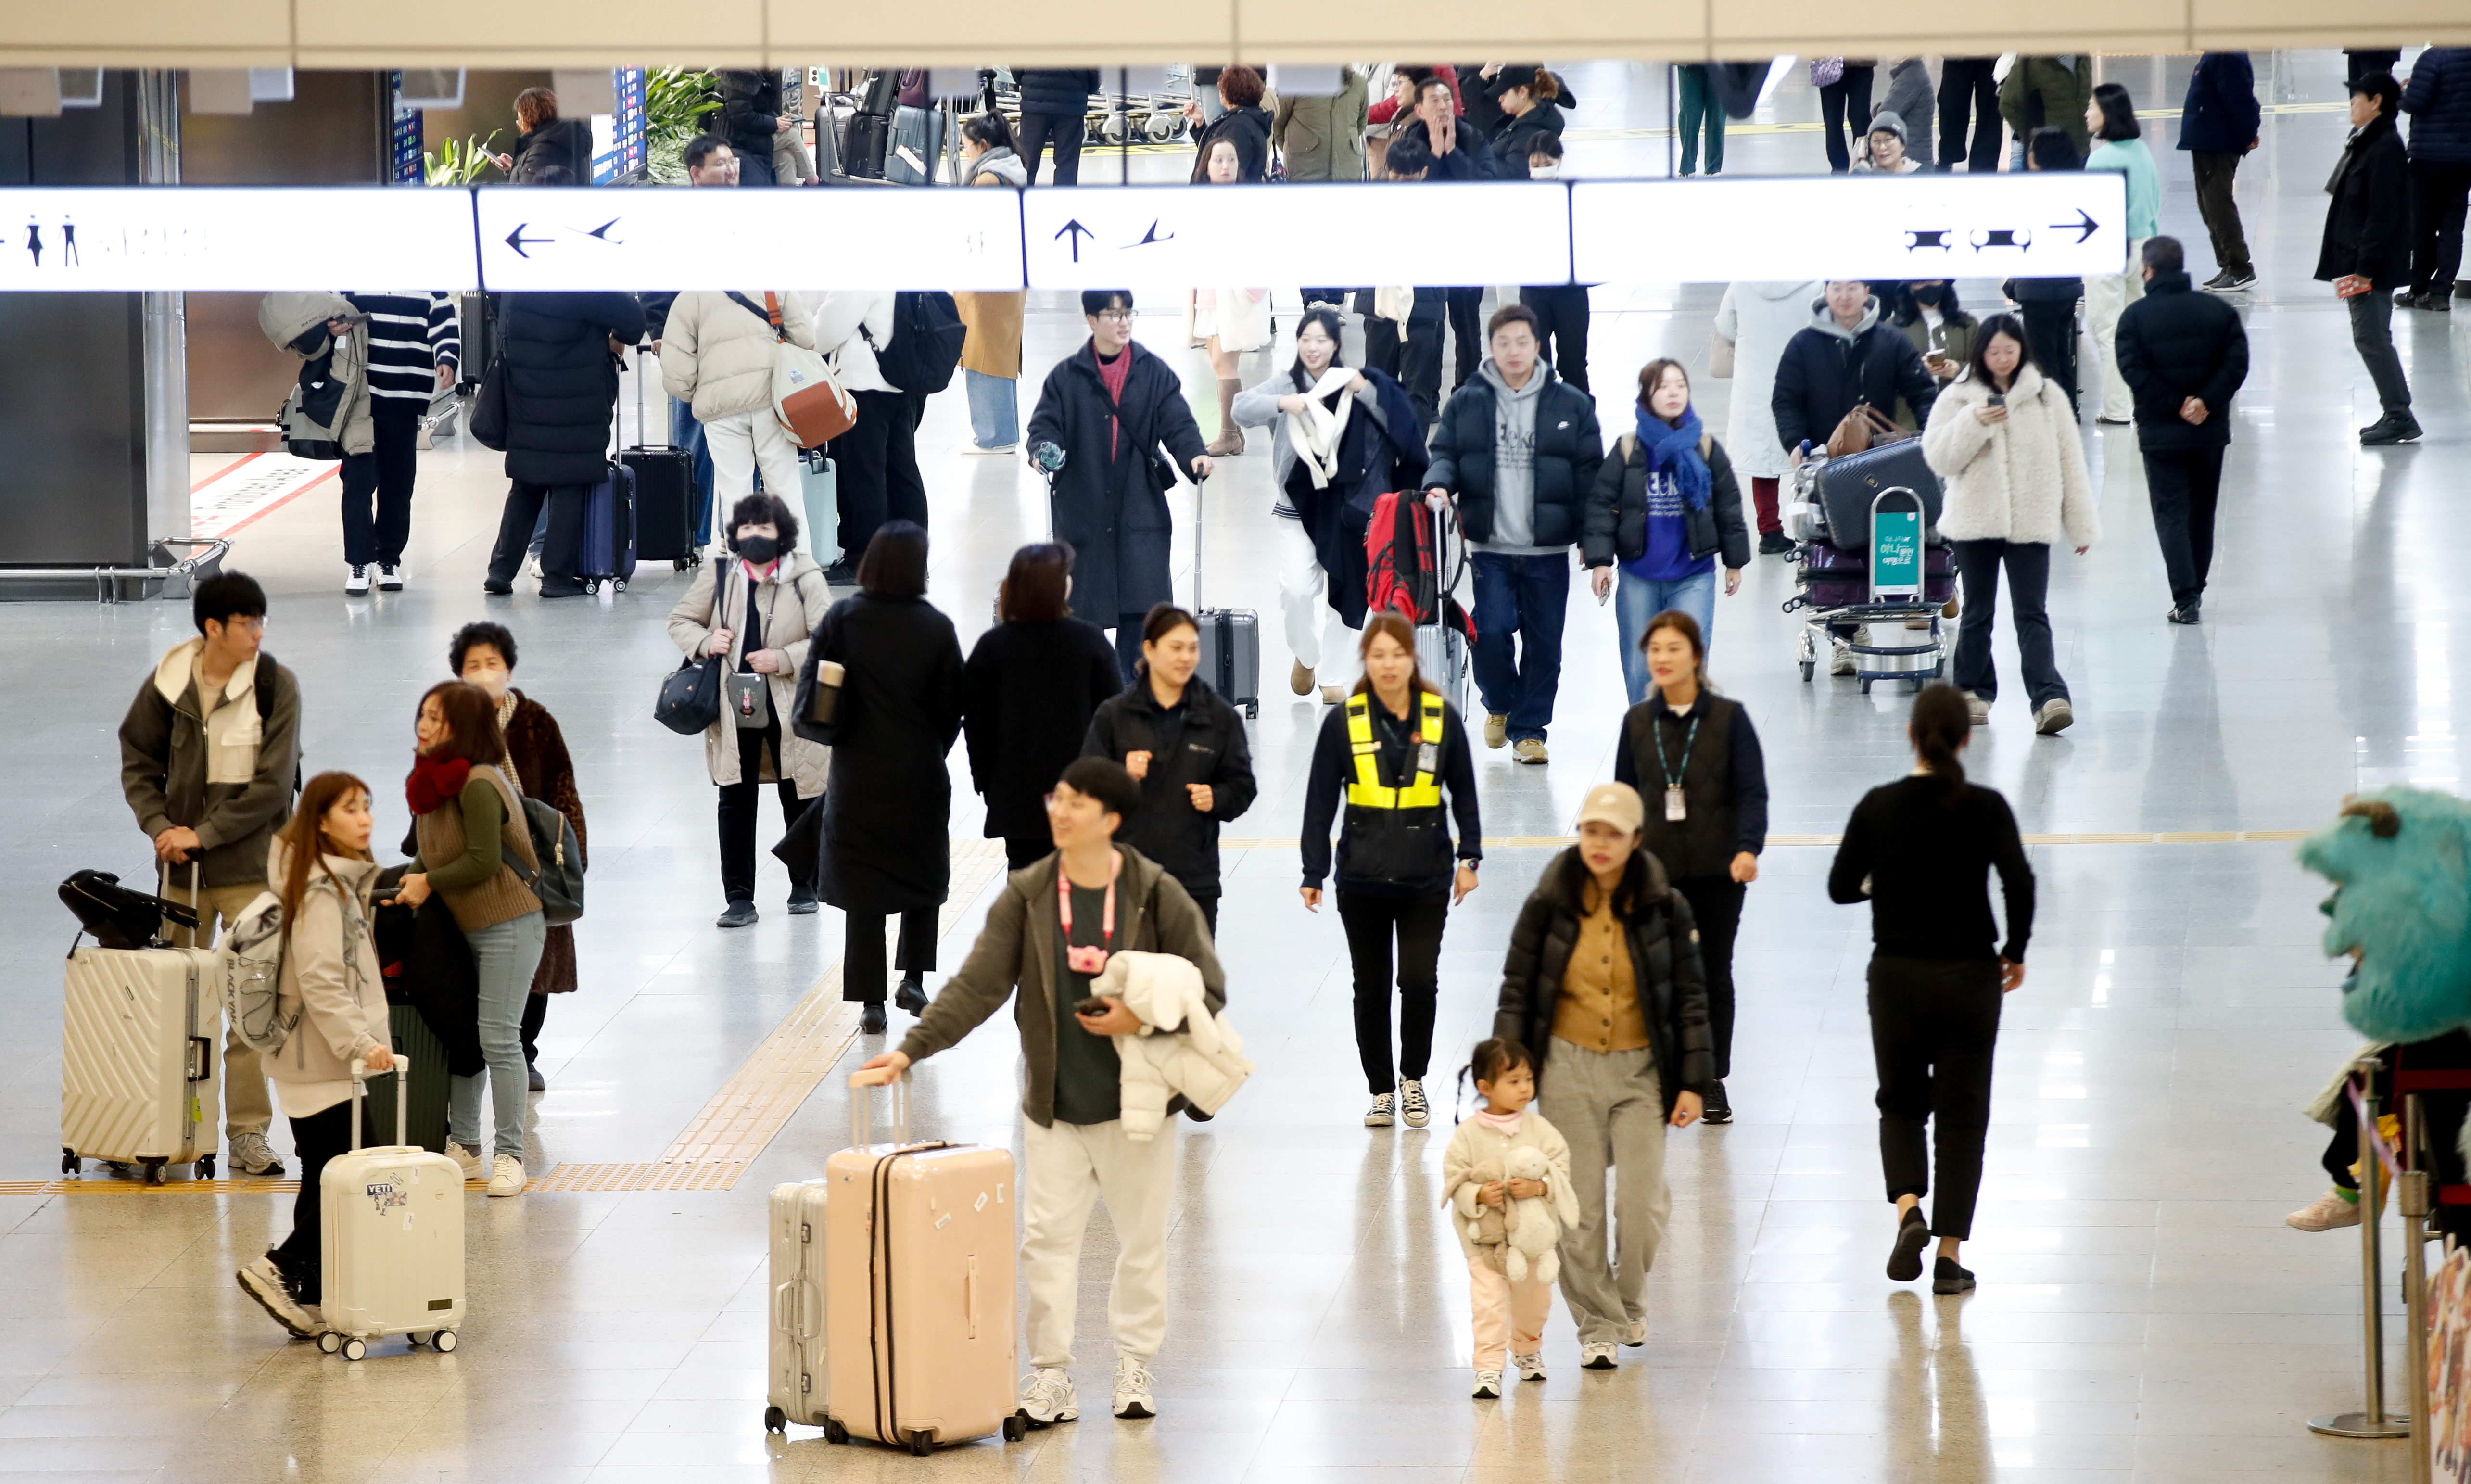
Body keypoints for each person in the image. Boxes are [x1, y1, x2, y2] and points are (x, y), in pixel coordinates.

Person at [864, 756, 1223, 1425]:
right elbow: (979, 983)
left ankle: (1134, 1363)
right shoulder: (1031, 894)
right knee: (1046, 1240)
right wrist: (913, 1048)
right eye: (1057, 798)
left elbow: (1208, 988)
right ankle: (1051, 1374)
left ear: (1110, 820)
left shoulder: (1155, 892)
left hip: (1138, 1104)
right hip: (1054, 1102)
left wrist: (1138, 1017)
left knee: (1142, 1241)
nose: (1059, 812)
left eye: (1076, 803)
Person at [1492, 783, 1711, 1368]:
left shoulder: (1666, 905)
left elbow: (1691, 996)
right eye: (1590, 830)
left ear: (1636, 840)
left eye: (1612, 834)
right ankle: (1598, 1324)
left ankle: (1628, 1300)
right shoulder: (1549, 900)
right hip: (1567, 1068)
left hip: (1641, 1072)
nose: (1599, 843)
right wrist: (1508, 1077)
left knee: (1643, 1205)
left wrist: (1694, 1081)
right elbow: (1517, 987)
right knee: (1578, 1209)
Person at [1827, 685, 2035, 1297]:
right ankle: (1948, 1257)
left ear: (1911, 735)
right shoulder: (1986, 807)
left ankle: (1908, 1211)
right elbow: (2019, 882)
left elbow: (1840, 887)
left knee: (1900, 1103)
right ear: (1966, 738)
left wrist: (1885, 883)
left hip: (1896, 976)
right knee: (1963, 1117)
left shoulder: (1879, 805)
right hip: (1970, 978)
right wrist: (2015, 950)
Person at [118, 570, 299, 1181]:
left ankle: (248, 1133)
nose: (258, 633)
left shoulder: (275, 685)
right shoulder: (170, 683)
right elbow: (138, 758)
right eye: (248, 623)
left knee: (252, 1006)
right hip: (182, 875)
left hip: (252, 871)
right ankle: (169, 1126)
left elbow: (273, 786)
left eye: (261, 621)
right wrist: (160, 825)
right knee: (178, 1005)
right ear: (213, 628)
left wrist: (204, 833)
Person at [1300, 612, 1483, 1130]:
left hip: (1426, 877)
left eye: (1397, 655)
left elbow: (1465, 792)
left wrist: (1470, 858)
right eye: (1377, 655)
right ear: (1366, 660)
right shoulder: (1345, 722)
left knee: (1419, 981)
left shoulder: (1439, 718)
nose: (1387, 665)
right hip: (1362, 879)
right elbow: (1319, 803)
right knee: (1372, 986)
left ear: (1411, 659)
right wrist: (1313, 872)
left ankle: (1413, 1078)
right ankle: (1381, 1089)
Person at [231, 772, 390, 1339]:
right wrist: (361, 1043)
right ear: (321, 822)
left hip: (306, 1055)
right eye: (350, 809)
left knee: (325, 1171)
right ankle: (280, 1268)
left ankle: (311, 1294)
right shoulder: (323, 891)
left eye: (367, 806)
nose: (364, 818)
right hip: (322, 1057)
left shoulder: (319, 880)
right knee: (357, 1172)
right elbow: (322, 980)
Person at [799, 522, 964, 1034]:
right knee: (923, 877)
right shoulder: (935, 627)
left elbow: (815, 694)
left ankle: (871, 1003)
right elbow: (953, 708)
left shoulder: (843, 620)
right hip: (919, 775)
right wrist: (930, 750)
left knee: (864, 890)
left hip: (857, 775)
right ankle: (913, 977)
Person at [1426, 304, 1604, 765]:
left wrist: (1595, 545)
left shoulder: (1572, 405)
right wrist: (1438, 483)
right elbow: (1445, 451)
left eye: (1522, 342)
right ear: (1491, 347)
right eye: (1503, 342)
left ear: (1538, 346)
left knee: (1545, 644)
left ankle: (1529, 732)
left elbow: (1592, 480)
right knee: (1490, 629)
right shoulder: (1468, 401)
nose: (1513, 351)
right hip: (1489, 548)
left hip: (1548, 550)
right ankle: (1500, 702)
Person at [1230, 305, 1430, 702]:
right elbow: (1240, 407)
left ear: (1336, 345)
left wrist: (1364, 389)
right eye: (1306, 339)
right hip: (1296, 509)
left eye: (1321, 340)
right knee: (1296, 591)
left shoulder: (1355, 382)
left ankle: (1332, 676)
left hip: (1350, 511)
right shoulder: (1286, 384)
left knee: (1350, 592)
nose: (1313, 347)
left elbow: (1399, 422)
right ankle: (1306, 655)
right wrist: (1282, 403)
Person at [1609, 616, 1763, 1123]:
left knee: (1712, 973)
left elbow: (1751, 793)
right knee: (1655, 974)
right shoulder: (1637, 723)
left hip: (1718, 873)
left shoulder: (1728, 718)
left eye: (1673, 648)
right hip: (1655, 873)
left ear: (1696, 655)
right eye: (1654, 649)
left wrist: (1747, 849)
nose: (1662, 658)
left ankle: (1711, 1078)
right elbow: (1624, 799)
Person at [399, 681, 545, 1198]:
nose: (424, 725)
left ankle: (511, 1154)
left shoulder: (479, 782)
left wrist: (427, 882)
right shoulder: (431, 781)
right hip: (463, 926)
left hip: (508, 923)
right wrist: (409, 881)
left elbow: (483, 859)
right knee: (465, 1036)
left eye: (436, 718)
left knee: (499, 1038)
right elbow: (431, 848)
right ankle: (464, 1145)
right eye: (423, 714)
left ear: (463, 727)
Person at [1922, 312, 2098, 736]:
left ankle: (2048, 697)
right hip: (1973, 521)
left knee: (2031, 611)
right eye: (1993, 351)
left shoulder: (2047, 396)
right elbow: (1939, 458)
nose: (2002, 359)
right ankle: (1971, 692)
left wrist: (2079, 524)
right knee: (1977, 611)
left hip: (2030, 520)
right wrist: (1974, 422)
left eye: (2009, 350)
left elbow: (2070, 461)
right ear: (1980, 353)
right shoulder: (1957, 396)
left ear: (2022, 350)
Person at [1026, 290, 1216, 681]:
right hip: (1083, 512)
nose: (1123, 322)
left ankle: (1129, 700)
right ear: (1091, 320)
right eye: (1113, 314)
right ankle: (1092, 697)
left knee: (1142, 615)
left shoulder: (1153, 372)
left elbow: (1177, 421)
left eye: (1128, 313)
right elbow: (1045, 425)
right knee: (1081, 617)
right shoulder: (1066, 377)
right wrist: (1043, 449)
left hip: (1139, 510)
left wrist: (1194, 453)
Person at [666, 493, 831, 926]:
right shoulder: (721, 572)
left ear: (782, 534)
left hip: (791, 702)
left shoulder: (805, 576)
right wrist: (707, 642)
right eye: (746, 528)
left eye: (764, 528)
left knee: (799, 791)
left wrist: (785, 658)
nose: (754, 536)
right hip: (736, 698)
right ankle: (739, 897)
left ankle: (804, 884)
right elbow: (680, 620)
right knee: (736, 796)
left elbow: (831, 639)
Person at [448, 622, 583, 1092]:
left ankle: (524, 1051)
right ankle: (480, 1049)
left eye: (493, 663)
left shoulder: (535, 721)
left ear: (509, 669)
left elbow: (564, 790)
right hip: (473, 860)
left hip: (533, 864)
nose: (485, 672)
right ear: (459, 674)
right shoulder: (448, 723)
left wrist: (570, 857)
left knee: (535, 965)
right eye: (474, 665)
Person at [1081, 605, 1257, 933]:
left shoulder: (1219, 718)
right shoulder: (1115, 716)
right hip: (1127, 880)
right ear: (1149, 649)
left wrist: (1218, 797)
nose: (1185, 658)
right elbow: (1085, 789)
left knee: (1191, 967)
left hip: (1194, 881)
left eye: (1193, 649)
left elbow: (1243, 786)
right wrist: (1121, 775)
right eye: (1176, 648)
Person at [1584, 359, 1747, 700]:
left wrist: (1734, 562)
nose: (1673, 393)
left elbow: (1728, 506)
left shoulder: (1705, 448)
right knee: (1639, 665)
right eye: (1662, 386)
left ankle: (1682, 728)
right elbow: (1601, 505)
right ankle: (1644, 727)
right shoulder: (1628, 448)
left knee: (1687, 662)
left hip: (1693, 576)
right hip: (1638, 577)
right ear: (1646, 396)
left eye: (1680, 385)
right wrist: (1600, 561)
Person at [2115, 236, 2251, 625]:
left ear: (2148, 271)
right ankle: (2197, 587)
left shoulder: (2134, 318)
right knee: (2201, 512)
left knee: (2170, 513)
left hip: (2160, 434)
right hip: (2209, 432)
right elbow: (2236, 362)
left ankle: (2185, 598)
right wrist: (2204, 401)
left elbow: (2134, 371)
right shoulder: (2218, 311)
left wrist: (2176, 403)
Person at [964, 544, 1122, 872]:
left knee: (1026, 884)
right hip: (1082, 794)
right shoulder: (1090, 642)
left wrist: (987, 784)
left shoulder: (992, 648)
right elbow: (1115, 721)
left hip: (1016, 797)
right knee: (1081, 883)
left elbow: (977, 727)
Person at [482, 291, 646, 597]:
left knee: (526, 483)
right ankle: (557, 577)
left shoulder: (519, 279)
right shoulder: (585, 282)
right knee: (570, 482)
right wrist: (612, 336)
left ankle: (501, 571)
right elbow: (634, 323)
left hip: (527, 392)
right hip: (578, 399)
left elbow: (498, 305)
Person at [1442, 1037, 1577, 1396]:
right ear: (1485, 1087)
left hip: (1531, 1239)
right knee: (1488, 1302)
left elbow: (1561, 1168)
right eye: (1513, 1081)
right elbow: (1454, 1178)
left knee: (1534, 1299)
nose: (1524, 1088)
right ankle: (1488, 1367)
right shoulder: (1468, 1134)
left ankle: (1527, 1347)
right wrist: (1477, 1195)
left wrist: (1540, 1187)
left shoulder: (1540, 1129)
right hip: (1484, 1241)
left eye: (1528, 1079)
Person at [2319, 70, 2419, 445]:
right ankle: (2396, 412)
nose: (2351, 103)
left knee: (2371, 337)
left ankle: (2399, 415)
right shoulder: (2365, 141)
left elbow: (2382, 216)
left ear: (2376, 102)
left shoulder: (2384, 149)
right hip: (2358, 259)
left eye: (2357, 97)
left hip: (2370, 266)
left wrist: (2363, 270)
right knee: (2371, 336)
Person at [657, 287, 814, 518]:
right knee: (786, 490)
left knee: (735, 496)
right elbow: (806, 337)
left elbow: (676, 371)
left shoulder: (693, 295)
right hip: (771, 402)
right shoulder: (773, 284)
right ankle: (794, 543)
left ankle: (742, 543)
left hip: (721, 408)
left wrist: (698, 392)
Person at [338, 291, 456, 593]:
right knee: (358, 481)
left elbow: (444, 324)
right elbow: (329, 311)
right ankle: (359, 562)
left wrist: (447, 358)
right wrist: (332, 326)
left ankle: (388, 559)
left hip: (405, 400)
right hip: (360, 400)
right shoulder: (353, 281)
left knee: (398, 484)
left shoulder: (429, 288)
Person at [810, 289, 928, 579]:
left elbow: (830, 328)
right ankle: (912, 559)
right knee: (902, 474)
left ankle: (863, 561)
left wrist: (805, 337)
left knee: (864, 476)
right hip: (901, 377)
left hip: (865, 384)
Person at [1712, 280, 1821, 555]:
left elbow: (1726, 326)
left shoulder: (1742, 283)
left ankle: (1770, 530)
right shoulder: (1815, 282)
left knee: (1762, 460)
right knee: (1810, 456)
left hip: (1754, 378)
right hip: (1801, 373)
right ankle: (1816, 527)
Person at [1771, 279, 1939, 456]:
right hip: (1821, 456)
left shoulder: (1892, 340)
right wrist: (1795, 445)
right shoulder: (1802, 344)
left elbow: (1922, 393)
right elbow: (1786, 400)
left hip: (1880, 456)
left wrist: (1932, 435)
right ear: (1826, 293)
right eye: (1837, 288)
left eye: (1852, 288)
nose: (1845, 297)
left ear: (1867, 293)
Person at [1189, 142, 1275, 457]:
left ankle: (1228, 434)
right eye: (1218, 160)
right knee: (1219, 363)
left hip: (1233, 295)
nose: (1225, 166)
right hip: (1210, 294)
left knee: (1224, 364)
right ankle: (1233, 432)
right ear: (1207, 166)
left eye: (1231, 159)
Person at [2083, 83, 2161, 426]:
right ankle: (2144, 402)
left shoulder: (2100, 159)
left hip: (2108, 250)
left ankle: (2116, 410)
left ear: (2108, 115)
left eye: (2092, 107)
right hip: (2143, 247)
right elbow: (2155, 200)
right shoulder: (2142, 151)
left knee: (2107, 332)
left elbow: (2090, 211)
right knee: (2139, 331)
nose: (2087, 113)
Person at [956, 114, 1029, 454]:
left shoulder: (987, 180)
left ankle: (993, 437)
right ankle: (1003, 432)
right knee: (999, 355)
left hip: (988, 280)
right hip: (1007, 279)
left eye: (967, 147)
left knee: (982, 355)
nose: (965, 153)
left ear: (983, 146)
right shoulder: (1012, 170)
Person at [2009, 129, 2088, 414]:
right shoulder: (2076, 188)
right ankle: (2070, 410)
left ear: (2039, 158)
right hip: (2068, 286)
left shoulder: (2029, 193)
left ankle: (2055, 414)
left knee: (2043, 359)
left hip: (2037, 289)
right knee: (2063, 352)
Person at [2178, 51, 2262, 292]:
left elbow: (2241, 101)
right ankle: (2228, 265)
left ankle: (2240, 268)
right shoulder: (2216, 52)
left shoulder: (2227, 54)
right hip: (2208, 140)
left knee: (2218, 205)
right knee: (2209, 206)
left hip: (2218, 142)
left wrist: (2247, 135)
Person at [2400, 48, 2471, 312]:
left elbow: (2416, 103)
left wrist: (2403, 93)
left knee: (2423, 225)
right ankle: (2440, 293)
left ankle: (2418, 288)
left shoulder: (2434, 58)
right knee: (2452, 227)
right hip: (2464, 157)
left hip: (2428, 155)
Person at [1273, 63, 1370, 182]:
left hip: (1348, 175)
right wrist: (1299, 151)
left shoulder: (1359, 85)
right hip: (1305, 175)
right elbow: (1277, 123)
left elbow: (1361, 123)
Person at [2000, 55, 2093, 165]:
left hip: (2082, 150)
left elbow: (2086, 97)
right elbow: (2007, 104)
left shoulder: (2082, 56)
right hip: (2051, 154)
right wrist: (2030, 134)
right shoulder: (2033, 60)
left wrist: (2089, 131)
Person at [1187, 65, 1273, 183]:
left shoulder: (1238, 127)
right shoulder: (1242, 120)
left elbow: (1231, 172)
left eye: (1222, 87)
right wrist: (1200, 124)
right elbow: (1212, 151)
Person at [1014, 69, 1099, 185]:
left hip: (1036, 101)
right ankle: (1062, 196)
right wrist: (1088, 86)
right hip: (1071, 101)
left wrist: (1029, 81)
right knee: (1067, 164)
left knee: (1027, 159)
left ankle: (1023, 194)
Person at [493, 86, 592, 183]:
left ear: (528, 117)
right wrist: (514, 167)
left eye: (520, 116)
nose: (519, 122)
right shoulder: (565, 140)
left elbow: (528, 191)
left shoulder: (541, 151)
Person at [1892, 279, 1979, 385]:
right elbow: (1885, 371)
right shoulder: (1893, 327)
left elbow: (1983, 367)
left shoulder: (1968, 324)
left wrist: (1959, 369)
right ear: (1909, 287)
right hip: (1912, 395)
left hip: (1956, 393)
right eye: (1920, 282)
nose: (1928, 285)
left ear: (1945, 282)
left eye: (1934, 280)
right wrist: (1916, 369)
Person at [717, 69, 790, 186]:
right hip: (736, 137)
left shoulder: (762, 75)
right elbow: (742, 116)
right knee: (792, 135)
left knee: (787, 158)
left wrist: (778, 120)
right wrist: (774, 124)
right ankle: (813, 180)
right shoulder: (738, 75)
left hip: (752, 131)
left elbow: (763, 109)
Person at [1937, 57, 2002, 174]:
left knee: (1991, 118)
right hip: (1958, 54)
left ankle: (1984, 171)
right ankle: (1947, 158)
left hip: (1993, 58)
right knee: (1951, 108)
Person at [1815, 58, 1877, 174]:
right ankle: (1843, 169)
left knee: (1858, 119)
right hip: (1831, 62)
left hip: (1860, 63)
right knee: (1835, 120)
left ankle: (1860, 165)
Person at [1876, 60, 1935, 168]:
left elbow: (1884, 117)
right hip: (1918, 158)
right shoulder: (1914, 73)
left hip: (1912, 162)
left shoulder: (1911, 78)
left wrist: (1876, 109)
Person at [1675, 63, 1725, 176]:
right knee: (1689, 112)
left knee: (1717, 111)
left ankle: (1714, 168)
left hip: (1720, 63)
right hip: (1689, 62)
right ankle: (1687, 167)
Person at [1849, 109, 1921, 173]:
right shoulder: (1864, 176)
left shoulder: (1921, 176)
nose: (1882, 147)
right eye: (1876, 141)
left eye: (1888, 140)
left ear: (1903, 145)